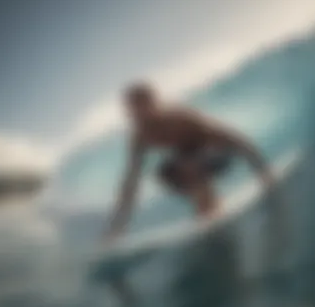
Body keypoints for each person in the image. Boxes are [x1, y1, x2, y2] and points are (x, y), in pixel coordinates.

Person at [105, 81, 275, 240]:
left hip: (220, 152)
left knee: (189, 166)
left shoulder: (179, 119)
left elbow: (234, 140)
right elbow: (131, 182)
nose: (138, 116)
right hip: (189, 159)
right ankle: (208, 216)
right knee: (165, 173)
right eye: (132, 110)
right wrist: (118, 227)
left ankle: (214, 220)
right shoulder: (140, 137)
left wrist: (264, 175)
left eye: (141, 107)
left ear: (153, 103)